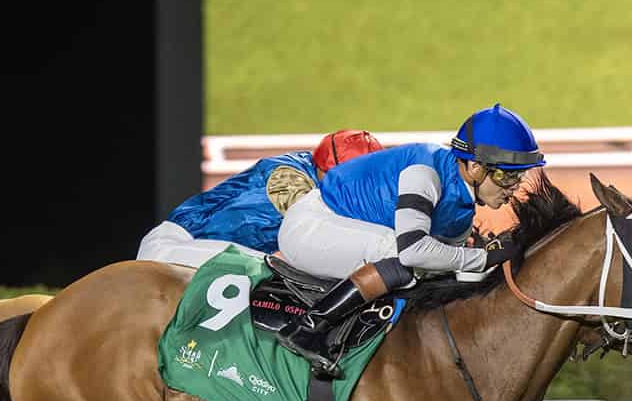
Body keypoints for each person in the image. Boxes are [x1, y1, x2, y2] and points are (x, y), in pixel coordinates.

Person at [275, 104, 545, 374]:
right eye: (506, 175)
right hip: (309, 228)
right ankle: (306, 328)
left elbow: (458, 272)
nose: (514, 186)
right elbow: (413, 252)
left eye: (519, 175)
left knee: (431, 268)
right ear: (474, 167)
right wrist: (484, 257)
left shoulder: (462, 213)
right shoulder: (424, 172)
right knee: (400, 257)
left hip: (344, 227)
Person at [136, 129, 383, 269]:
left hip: (215, 251)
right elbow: (327, 233)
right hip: (175, 249)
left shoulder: (317, 172)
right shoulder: (287, 178)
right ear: (326, 168)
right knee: (275, 275)